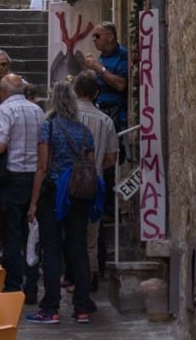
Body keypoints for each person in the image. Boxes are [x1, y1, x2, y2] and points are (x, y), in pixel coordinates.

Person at [27, 81, 95, 324]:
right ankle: (82, 309)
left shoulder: (49, 128)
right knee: (78, 250)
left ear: (53, 101)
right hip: (78, 196)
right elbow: (90, 167)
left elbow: (42, 167)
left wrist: (33, 203)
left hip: (52, 195)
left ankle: (50, 309)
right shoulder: (86, 131)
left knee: (52, 250)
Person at [0, 73, 45, 303]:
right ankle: (32, 287)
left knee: (11, 234)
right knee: (31, 234)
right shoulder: (38, 110)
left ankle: (13, 285)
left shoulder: (5, 109)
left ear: (3, 92)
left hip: (13, 178)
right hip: (34, 179)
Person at [74, 70, 118, 291]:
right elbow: (112, 158)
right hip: (95, 183)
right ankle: (90, 280)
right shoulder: (106, 120)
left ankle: (73, 277)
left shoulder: (67, 117)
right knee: (92, 236)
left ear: (75, 91)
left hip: (69, 185)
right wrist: (97, 165)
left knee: (71, 233)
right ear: (96, 93)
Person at [85, 21, 128, 211]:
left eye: (97, 36)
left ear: (110, 37)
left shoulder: (122, 55)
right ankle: (103, 204)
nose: (93, 39)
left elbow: (120, 85)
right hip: (102, 115)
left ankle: (111, 209)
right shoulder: (103, 56)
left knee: (110, 160)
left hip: (115, 117)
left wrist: (100, 69)